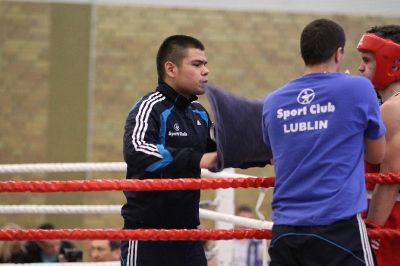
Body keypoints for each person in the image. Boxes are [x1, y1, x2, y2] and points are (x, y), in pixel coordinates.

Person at [262, 18, 386, 266]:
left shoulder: (273, 101)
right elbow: (376, 155)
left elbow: (275, 156)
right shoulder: (359, 89)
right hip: (337, 227)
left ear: (302, 54)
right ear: (339, 53)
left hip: (286, 229)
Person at [121, 34, 217, 266]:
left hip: (188, 235)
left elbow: (224, 150)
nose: (205, 71)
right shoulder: (149, 107)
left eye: (205, 64)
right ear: (171, 69)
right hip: (147, 234)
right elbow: (136, 149)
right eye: (196, 64)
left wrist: (268, 153)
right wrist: (196, 160)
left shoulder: (199, 113)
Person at [357, 24, 400, 266]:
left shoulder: (393, 109)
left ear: (393, 64)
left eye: (367, 60)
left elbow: (390, 180)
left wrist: (370, 231)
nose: (361, 67)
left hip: (388, 217)